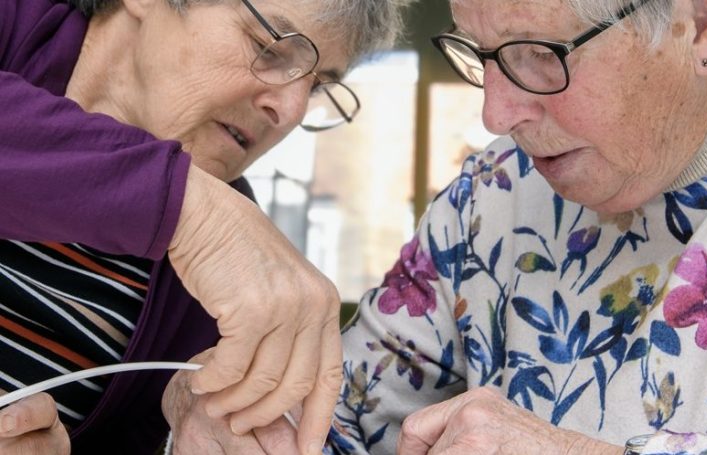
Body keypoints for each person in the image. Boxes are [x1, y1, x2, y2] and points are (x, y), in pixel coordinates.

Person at [188, 0, 707, 453]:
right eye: (483, 58)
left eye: (540, 55)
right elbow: (333, 417)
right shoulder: (490, 196)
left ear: (699, 21)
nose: (495, 114)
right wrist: (229, 415)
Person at [0, 0, 410, 453]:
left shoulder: (225, 286)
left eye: (316, 89)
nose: (291, 110)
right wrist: (183, 206)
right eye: (269, 46)